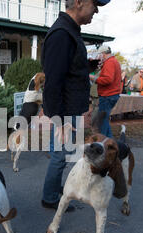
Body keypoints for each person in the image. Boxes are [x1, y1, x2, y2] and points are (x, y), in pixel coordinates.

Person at [41, 0, 111, 211]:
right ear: (79, 2)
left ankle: (52, 192)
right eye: (95, 4)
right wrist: (59, 120)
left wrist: (86, 65)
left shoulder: (70, 31)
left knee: (61, 155)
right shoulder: (62, 33)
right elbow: (53, 82)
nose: (97, 10)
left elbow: (69, 70)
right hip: (64, 113)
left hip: (68, 110)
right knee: (60, 156)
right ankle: (50, 197)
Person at [89, 44, 122, 137]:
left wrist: (93, 78)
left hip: (107, 96)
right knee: (104, 120)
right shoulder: (114, 61)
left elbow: (108, 79)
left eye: (99, 55)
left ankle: (104, 142)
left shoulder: (109, 62)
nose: (98, 57)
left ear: (103, 54)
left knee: (102, 122)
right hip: (111, 95)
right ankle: (109, 141)